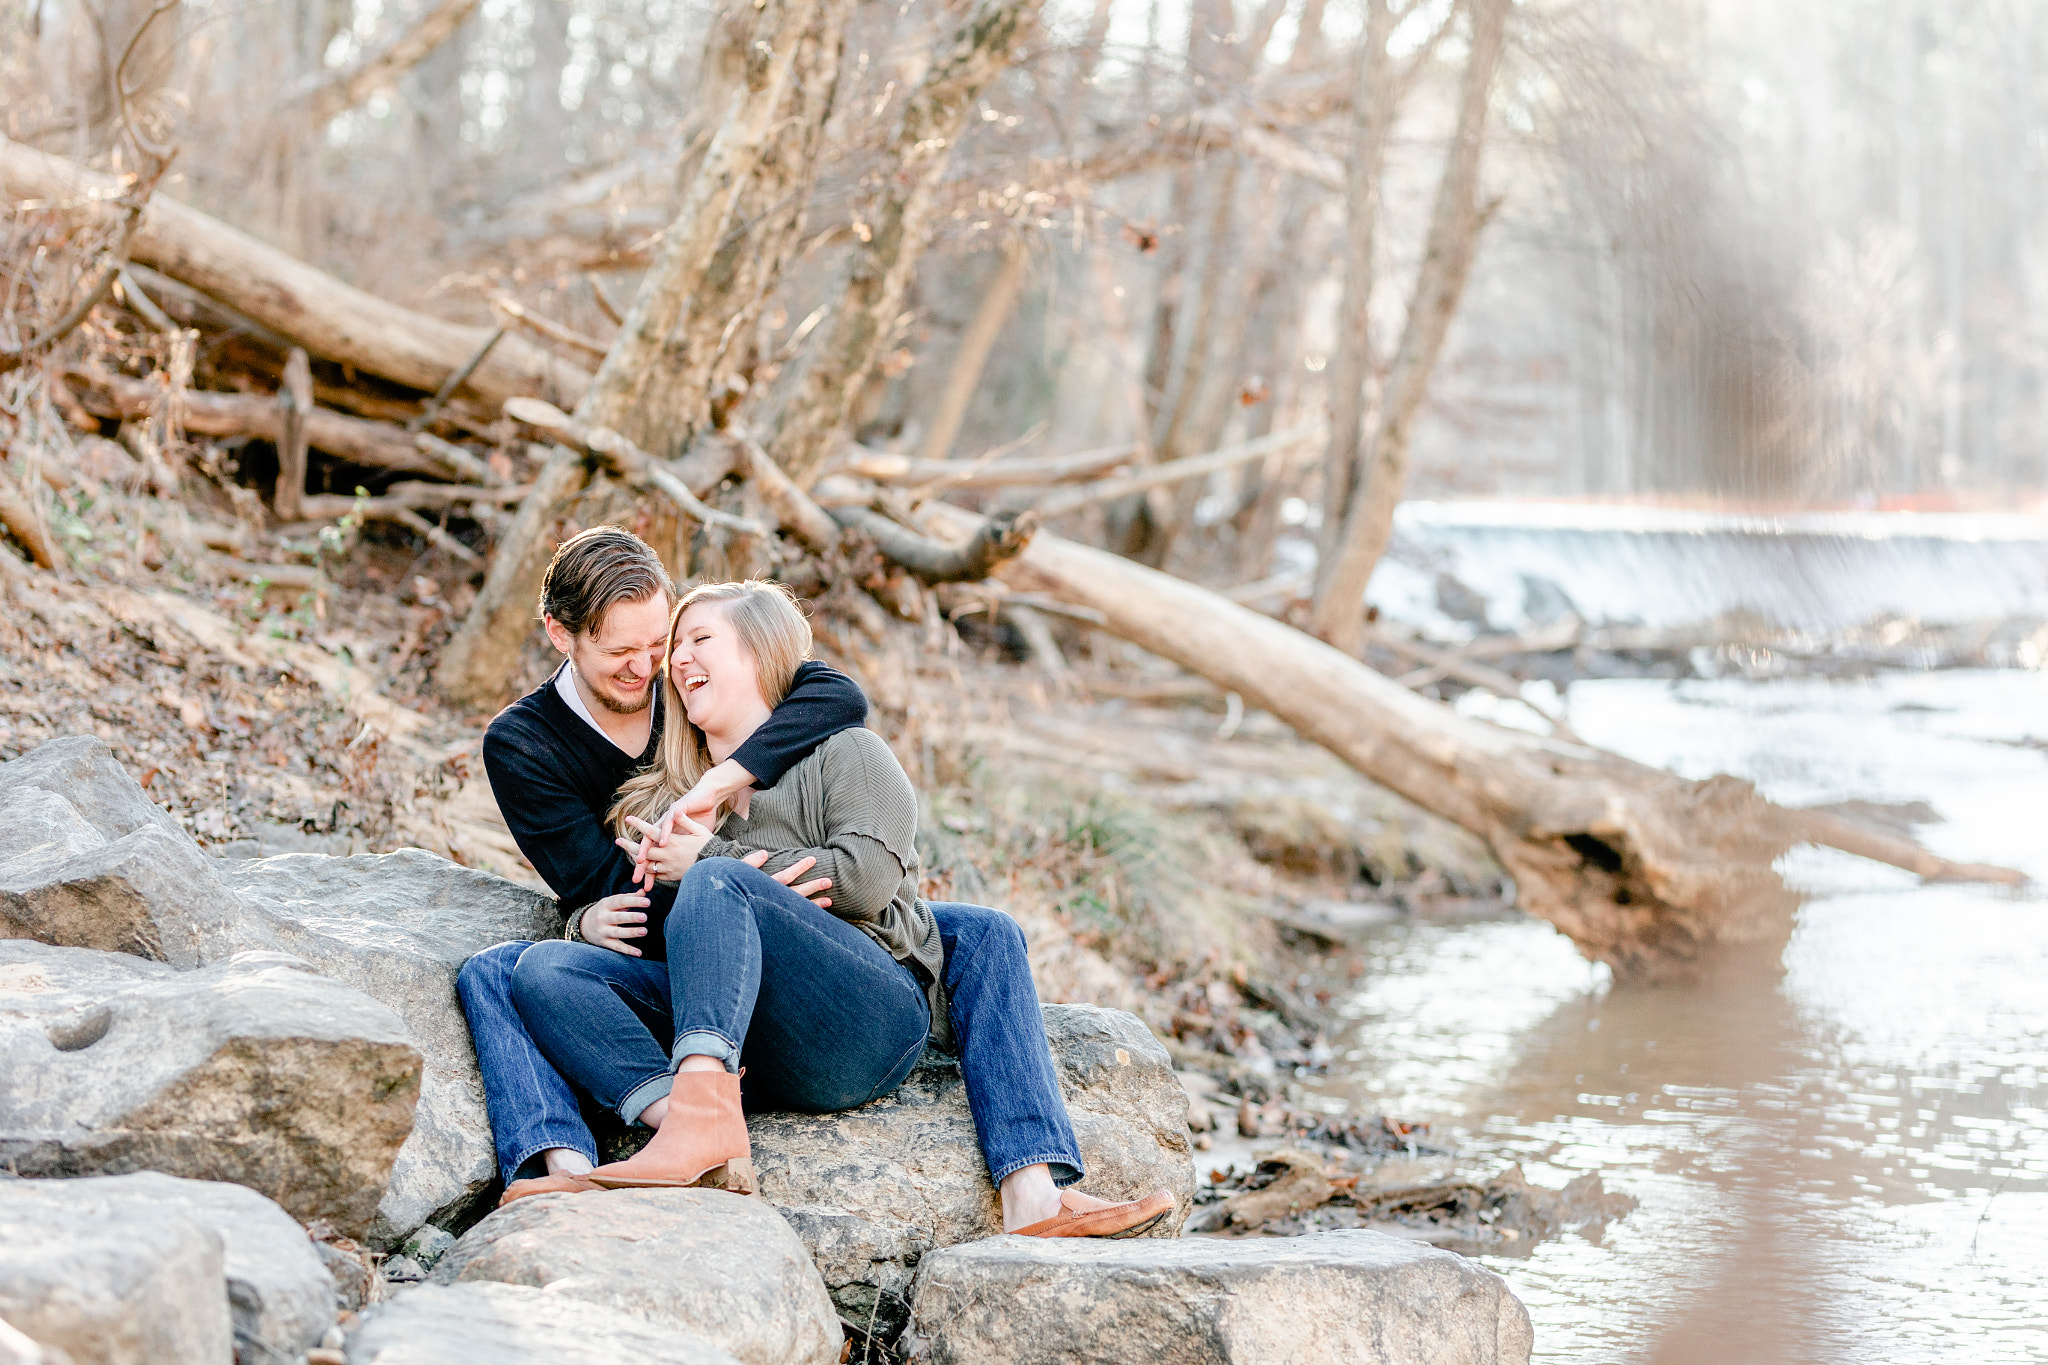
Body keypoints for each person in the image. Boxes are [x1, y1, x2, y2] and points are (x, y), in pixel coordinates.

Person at [460, 530, 1173, 1237]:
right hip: (717, 980)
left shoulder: (811, 748)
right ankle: (632, 1142)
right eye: (629, 653)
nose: (658, 666)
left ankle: (1033, 1188)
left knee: (982, 930)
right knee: (521, 969)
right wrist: (590, 914)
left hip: (847, 997)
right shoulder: (551, 748)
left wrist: (720, 808)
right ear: (561, 634)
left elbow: (833, 718)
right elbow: (623, 891)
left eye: (672, 641)